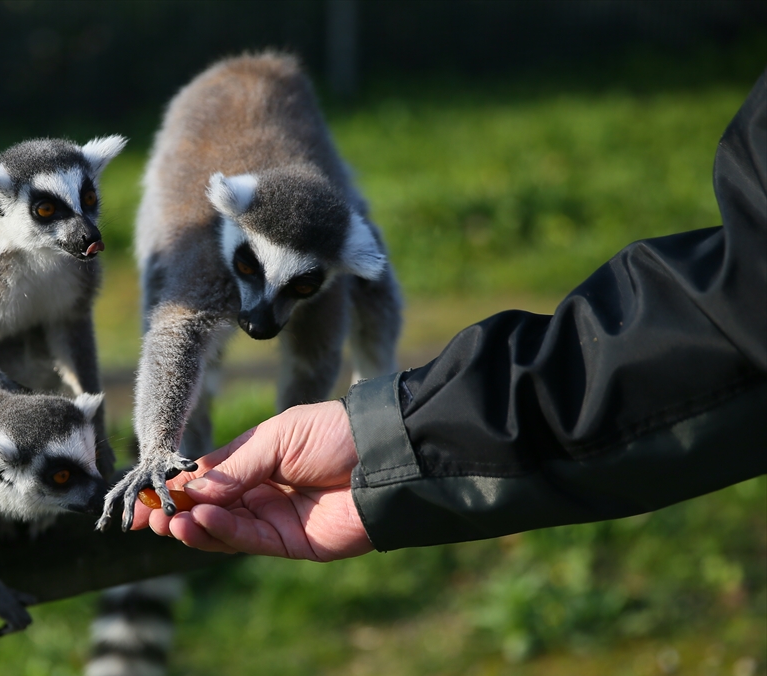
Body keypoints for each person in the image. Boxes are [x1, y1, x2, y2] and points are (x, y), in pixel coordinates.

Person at [133, 71, 766, 559]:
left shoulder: (339, 256)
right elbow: (174, 335)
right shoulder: (209, 226)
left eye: (296, 286)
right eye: (249, 269)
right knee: (177, 314)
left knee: (320, 335)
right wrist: (158, 449)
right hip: (214, 164)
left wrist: (369, 401)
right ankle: (176, 444)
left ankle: (283, 437)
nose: (260, 311)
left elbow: (374, 291)